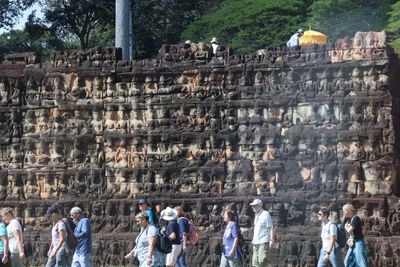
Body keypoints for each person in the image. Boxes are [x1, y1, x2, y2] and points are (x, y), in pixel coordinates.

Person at [249, 199, 274, 267]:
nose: (253, 207)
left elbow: (270, 227)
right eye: (252, 206)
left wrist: (271, 240)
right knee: (254, 262)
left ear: (260, 206)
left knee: (262, 260)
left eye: (254, 206)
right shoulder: (256, 215)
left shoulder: (266, 214)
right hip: (255, 242)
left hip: (263, 241)